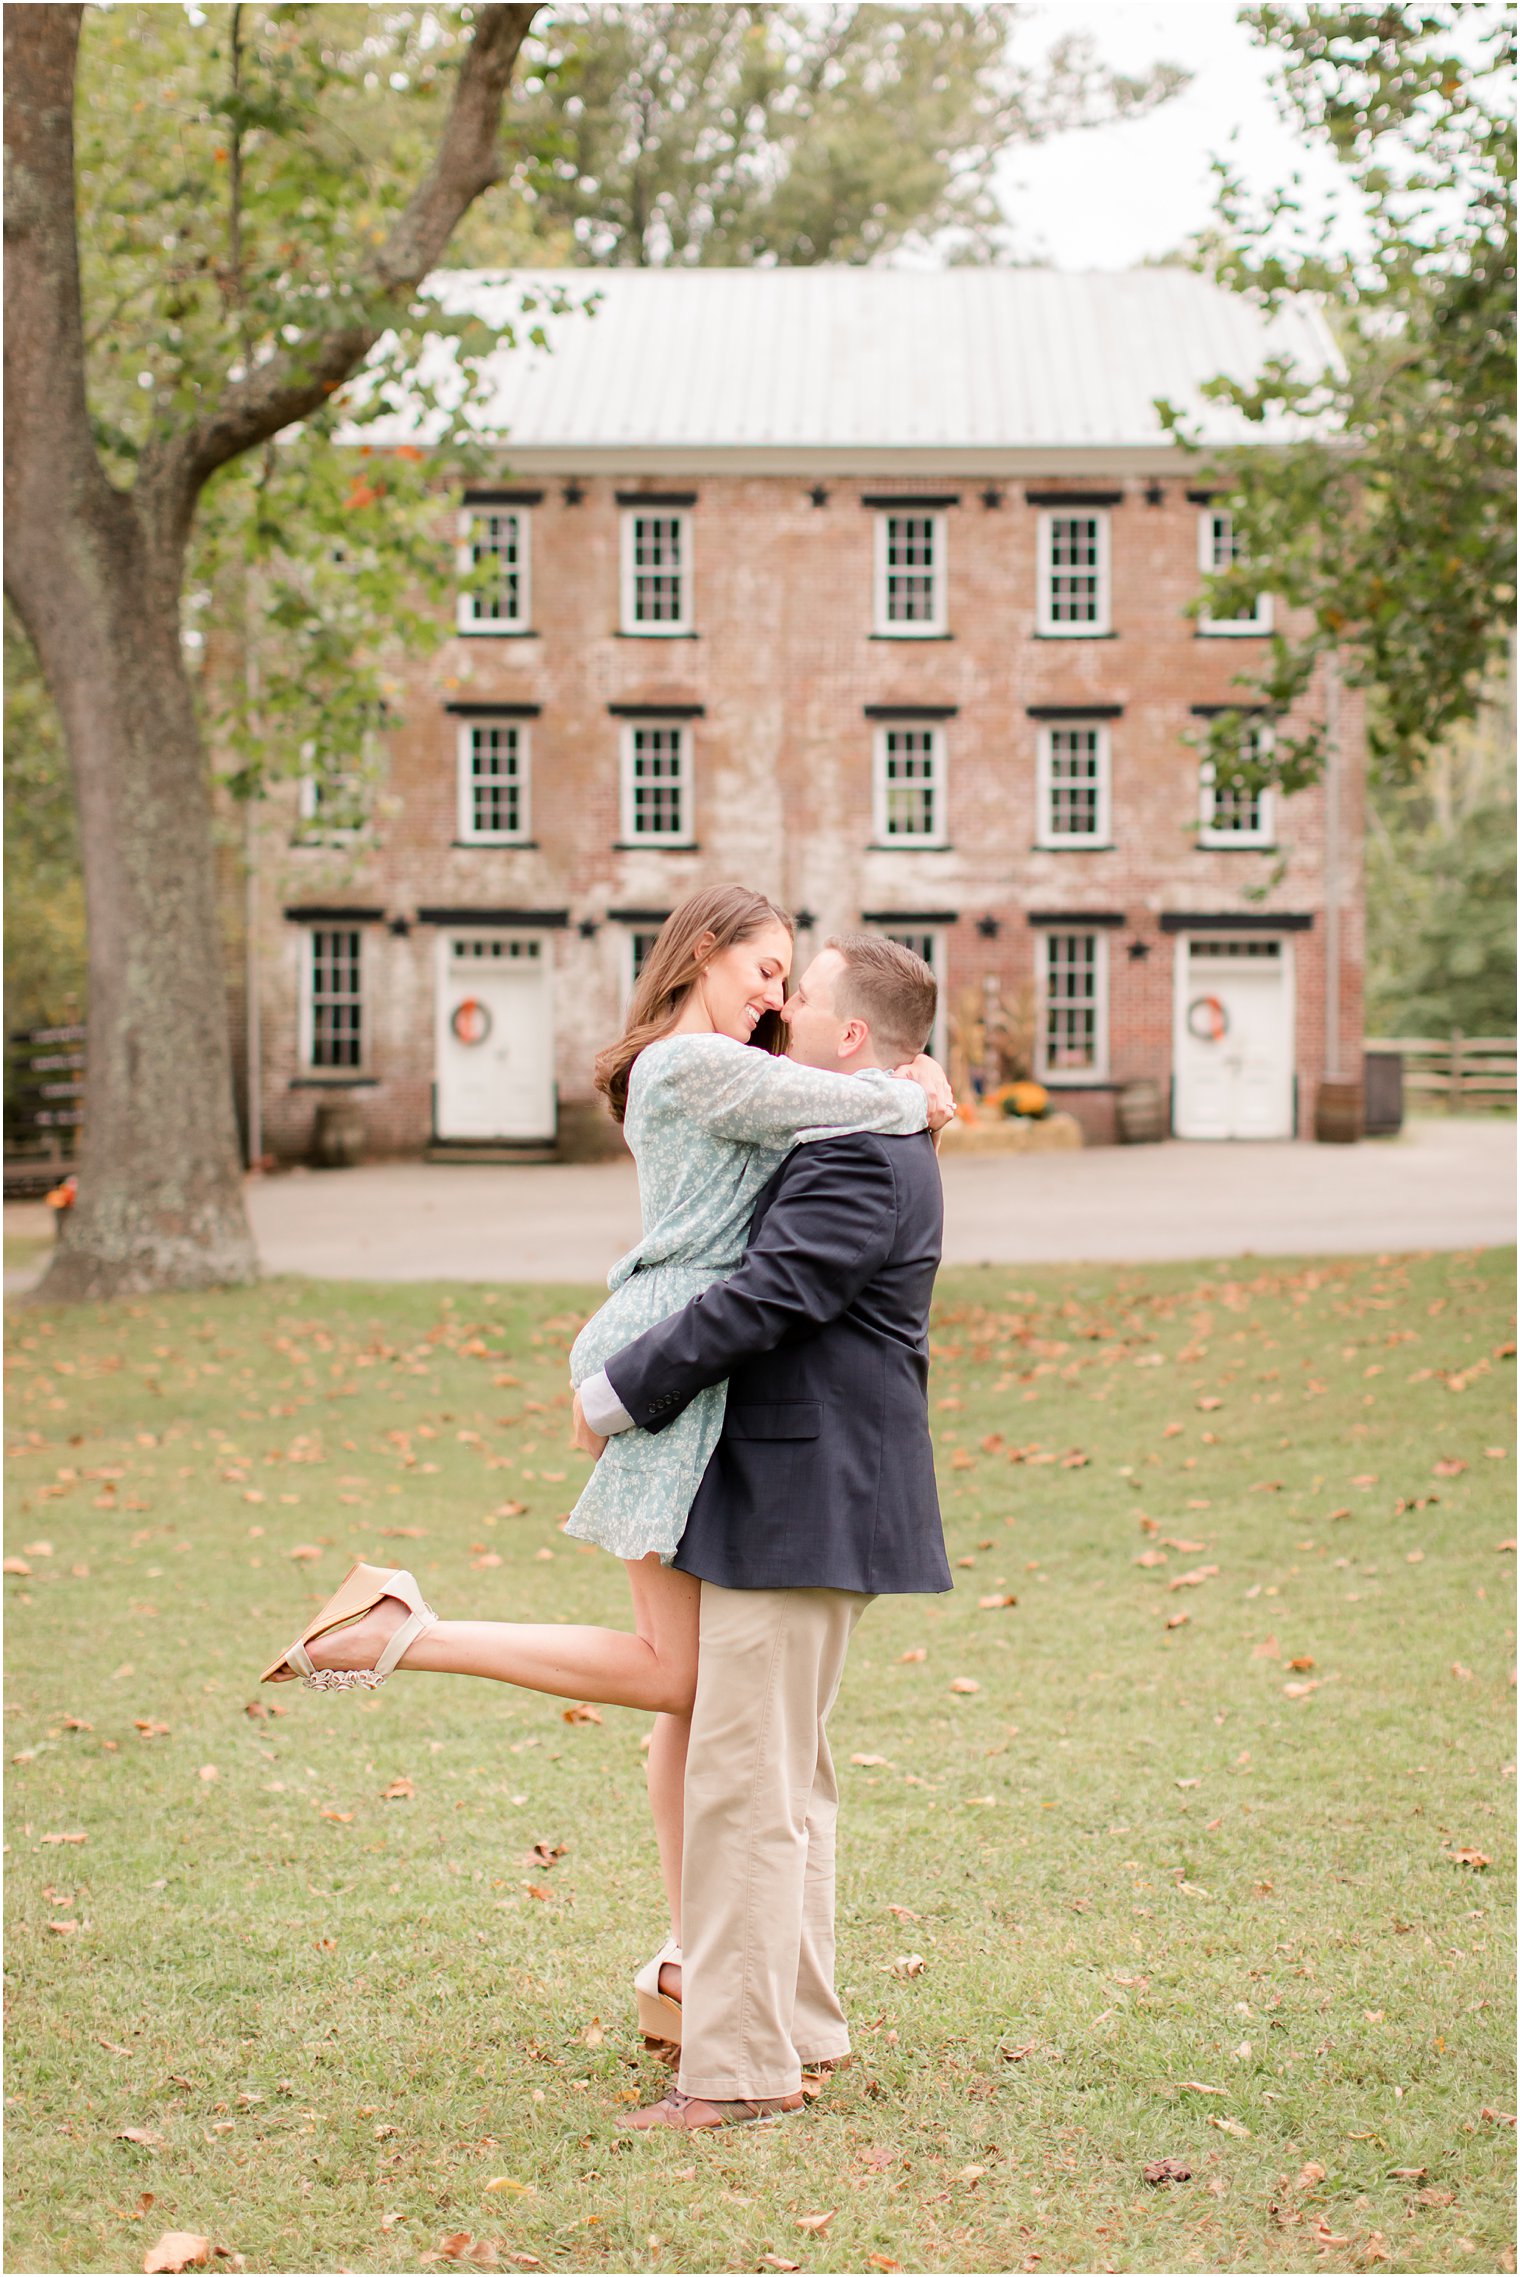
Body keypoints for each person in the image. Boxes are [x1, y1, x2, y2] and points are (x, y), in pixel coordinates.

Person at [260, 886, 953, 2021]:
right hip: (667, 1357)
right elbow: (849, 1096)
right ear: (702, 955)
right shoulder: (689, 1066)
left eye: (788, 980)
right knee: (675, 1670)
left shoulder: (709, 1062)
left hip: (682, 1352)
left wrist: (901, 1076)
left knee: (685, 1700)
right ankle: (406, 1632)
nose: (774, 999)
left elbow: (835, 1091)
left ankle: (687, 1962)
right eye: (763, 972)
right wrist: (914, 1081)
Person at [570, 931, 954, 2131]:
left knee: (742, 1785)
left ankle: (735, 2071)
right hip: (802, 1496)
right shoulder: (861, 1126)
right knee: (786, 1783)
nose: (779, 1015)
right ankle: (801, 2028)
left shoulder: (853, 1148)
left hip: (799, 1498)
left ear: (850, 1039)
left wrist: (616, 1389)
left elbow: (768, 1297)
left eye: (802, 998)